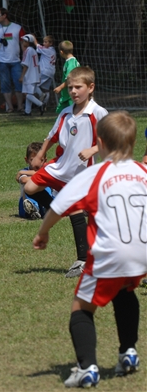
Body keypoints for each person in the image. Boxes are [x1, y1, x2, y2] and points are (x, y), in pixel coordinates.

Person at [32, 111, 146, 388]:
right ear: (132, 143)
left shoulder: (95, 174)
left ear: (100, 143)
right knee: (125, 290)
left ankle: (87, 368)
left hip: (111, 253)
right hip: (142, 252)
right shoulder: (143, 172)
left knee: (81, 307)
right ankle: (128, 352)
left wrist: (43, 232)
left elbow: (59, 206)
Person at [24, 66, 108, 278]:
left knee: (75, 212)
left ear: (91, 88)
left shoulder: (98, 113)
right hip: (59, 166)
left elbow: (111, 140)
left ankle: (82, 260)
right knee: (30, 187)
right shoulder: (65, 113)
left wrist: (93, 150)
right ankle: (57, 209)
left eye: (78, 87)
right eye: (70, 87)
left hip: (80, 174)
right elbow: (52, 136)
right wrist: (41, 154)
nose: (73, 91)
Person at [0, 8, 25, 113]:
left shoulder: (17, 28)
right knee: (5, 84)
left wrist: (24, 57)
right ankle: (10, 107)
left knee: (19, 83)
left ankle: (20, 106)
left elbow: (23, 43)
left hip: (16, 60)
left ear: (4, 15)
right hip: (2, 61)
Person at [16, 142, 53, 219]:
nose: (37, 163)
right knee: (29, 188)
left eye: (41, 160)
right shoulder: (25, 171)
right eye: (32, 160)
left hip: (45, 201)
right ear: (26, 160)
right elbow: (24, 180)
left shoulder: (48, 170)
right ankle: (32, 209)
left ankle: (47, 210)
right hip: (26, 202)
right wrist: (43, 177)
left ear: (45, 160)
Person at [19, 34, 44, 116]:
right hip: (34, 74)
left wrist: (22, 76)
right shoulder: (33, 50)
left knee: (27, 94)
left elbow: (25, 65)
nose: (22, 42)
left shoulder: (28, 51)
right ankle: (27, 111)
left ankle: (40, 104)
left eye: (24, 41)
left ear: (28, 42)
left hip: (29, 75)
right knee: (29, 93)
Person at [54, 40, 80, 113]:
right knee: (61, 113)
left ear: (61, 52)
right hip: (67, 94)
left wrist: (60, 87)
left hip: (70, 95)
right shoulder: (70, 62)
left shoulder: (71, 63)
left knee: (66, 113)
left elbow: (70, 79)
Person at [36, 35, 56, 107]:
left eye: (46, 42)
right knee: (46, 89)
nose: (44, 43)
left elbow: (38, 47)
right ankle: (44, 105)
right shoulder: (53, 50)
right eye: (43, 42)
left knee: (34, 85)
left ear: (51, 43)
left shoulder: (47, 50)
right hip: (51, 72)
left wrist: (34, 39)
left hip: (44, 71)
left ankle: (41, 95)